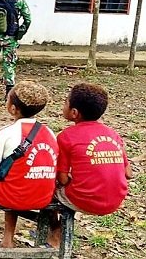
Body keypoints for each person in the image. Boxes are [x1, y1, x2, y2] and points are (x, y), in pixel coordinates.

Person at [0, 81, 58, 248]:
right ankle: (7, 239)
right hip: (43, 195)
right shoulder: (49, 132)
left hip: (14, 195)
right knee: (17, 176)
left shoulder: (5, 133)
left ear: (13, 109)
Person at [49, 83, 133, 246]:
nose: (63, 104)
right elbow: (128, 173)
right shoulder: (112, 134)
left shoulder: (66, 136)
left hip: (85, 201)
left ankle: (55, 233)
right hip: (116, 201)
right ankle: (57, 232)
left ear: (74, 113)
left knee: (48, 189)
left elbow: (63, 179)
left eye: (66, 102)